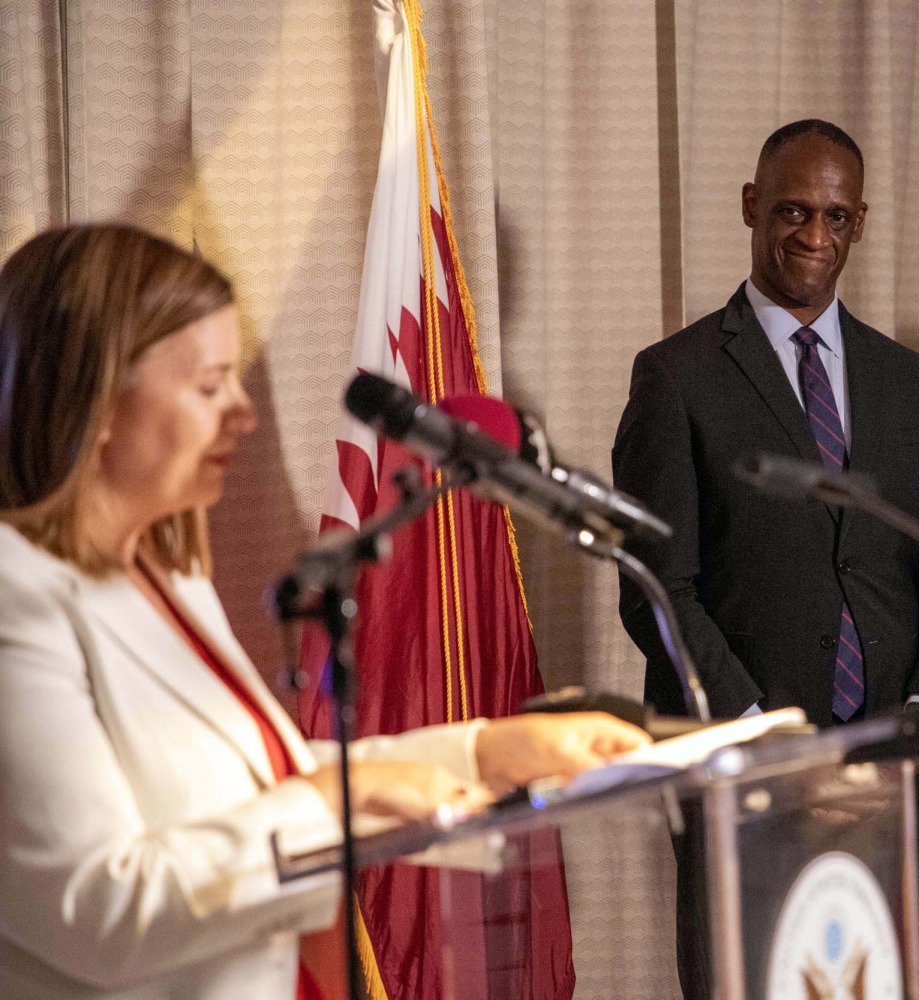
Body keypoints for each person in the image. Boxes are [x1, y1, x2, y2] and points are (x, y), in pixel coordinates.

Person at [0, 223, 650, 1000]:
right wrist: (325, 802)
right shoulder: (16, 597)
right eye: (209, 387)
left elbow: (262, 789)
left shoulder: (163, 575)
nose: (241, 413)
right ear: (95, 397)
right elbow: (98, 913)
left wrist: (487, 752)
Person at [613, 119, 919, 999]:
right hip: (743, 771)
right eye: (791, 211)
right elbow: (657, 590)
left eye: (835, 216)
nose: (813, 237)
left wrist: (914, 723)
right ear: (749, 206)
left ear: (859, 222)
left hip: (885, 779)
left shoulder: (913, 386)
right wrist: (762, 733)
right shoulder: (678, 377)